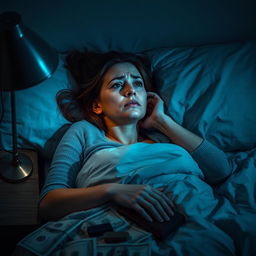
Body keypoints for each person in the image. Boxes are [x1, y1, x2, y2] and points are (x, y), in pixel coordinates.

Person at [39, 51, 231, 223]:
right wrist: (112, 191)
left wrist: (162, 121)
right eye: (117, 85)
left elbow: (221, 170)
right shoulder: (85, 132)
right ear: (97, 105)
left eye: (138, 83)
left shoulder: (162, 135)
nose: (131, 90)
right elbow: (48, 205)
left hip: (199, 219)